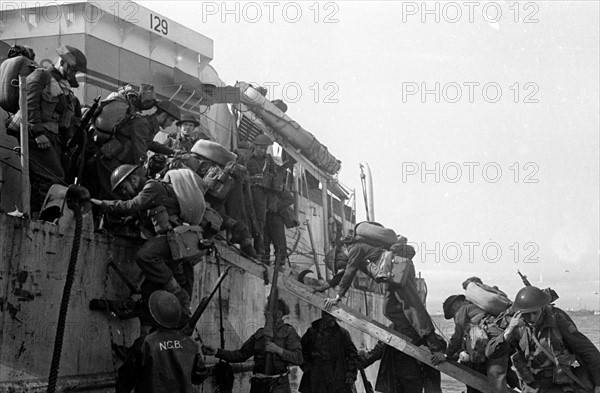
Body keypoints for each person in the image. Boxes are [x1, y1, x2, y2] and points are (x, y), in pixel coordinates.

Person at [91, 164, 191, 333]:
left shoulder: (152, 187)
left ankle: (177, 297)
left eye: (124, 187)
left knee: (144, 256)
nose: (124, 192)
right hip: (165, 249)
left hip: (173, 242)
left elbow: (131, 205)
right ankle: (142, 346)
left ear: (134, 179)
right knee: (148, 296)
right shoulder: (147, 194)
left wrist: (103, 204)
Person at [323, 235, 447, 362]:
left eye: (339, 265)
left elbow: (348, 272)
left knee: (412, 308)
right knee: (389, 309)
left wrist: (338, 297)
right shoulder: (356, 254)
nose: (341, 266)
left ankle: (437, 347)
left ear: (338, 256)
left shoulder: (354, 249)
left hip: (400, 271)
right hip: (393, 276)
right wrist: (323, 287)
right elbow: (344, 274)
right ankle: (416, 335)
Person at [486, 286, 600, 393]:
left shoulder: (557, 321)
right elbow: (491, 353)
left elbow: (587, 351)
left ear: (542, 308)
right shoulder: (516, 327)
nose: (531, 318)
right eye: (527, 314)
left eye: (535, 313)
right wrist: (507, 333)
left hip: (558, 385)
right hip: (532, 387)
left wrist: (598, 383)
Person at [25, 45, 86, 213]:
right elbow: (29, 104)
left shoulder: (64, 88)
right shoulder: (41, 76)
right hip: (37, 135)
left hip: (53, 139)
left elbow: (65, 118)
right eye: (74, 71)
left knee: (55, 177)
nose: (74, 76)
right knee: (52, 175)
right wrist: (38, 132)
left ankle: (41, 213)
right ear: (65, 64)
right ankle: (40, 215)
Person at [202, 298, 303, 393]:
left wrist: (278, 350)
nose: (265, 313)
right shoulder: (259, 334)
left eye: (269, 310)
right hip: (258, 387)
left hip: (279, 387)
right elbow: (241, 355)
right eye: (266, 310)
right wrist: (217, 352)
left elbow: (298, 358)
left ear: (279, 313)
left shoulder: (288, 332)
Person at [115, 290, 208, 393]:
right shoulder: (191, 344)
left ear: (154, 317)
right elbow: (199, 377)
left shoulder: (145, 343)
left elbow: (125, 381)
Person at [242, 134, 289, 263]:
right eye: (260, 148)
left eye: (265, 148)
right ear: (255, 146)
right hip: (248, 193)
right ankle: (248, 247)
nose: (263, 150)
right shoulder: (246, 159)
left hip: (263, 195)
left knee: (260, 222)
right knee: (248, 219)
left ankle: (259, 251)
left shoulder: (269, 161)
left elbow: (274, 177)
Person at [299, 310, 358, 393]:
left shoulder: (342, 334)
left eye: (334, 316)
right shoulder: (312, 332)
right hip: (315, 372)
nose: (333, 319)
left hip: (335, 373)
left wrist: (351, 374)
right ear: (323, 315)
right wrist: (306, 366)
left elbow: (352, 354)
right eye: (330, 316)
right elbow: (300, 350)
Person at [360, 322, 425, 393]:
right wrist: (364, 360)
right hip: (397, 378)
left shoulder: (417, 328)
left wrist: (364, 360)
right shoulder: (392, 328)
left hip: (411, 377)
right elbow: (379, 349)